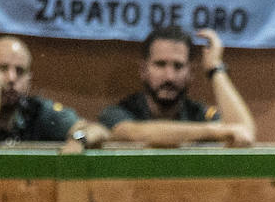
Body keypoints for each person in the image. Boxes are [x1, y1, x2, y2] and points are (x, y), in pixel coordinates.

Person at [0, 35, 109, 151]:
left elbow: (98, 130)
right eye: (2, 69)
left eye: (19, 71)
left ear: (29, 79)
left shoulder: (39, 111)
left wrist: (79, 140)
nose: (11, 78)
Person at [99, 25, 256, 147]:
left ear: (190, 72)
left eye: (178, 66)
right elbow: (133, 133)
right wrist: (214, 131)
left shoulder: (198, 113)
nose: (169, 76)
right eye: (160, 65)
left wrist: (215, 69)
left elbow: (244, 134)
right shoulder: (118, 113)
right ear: (143, 70)